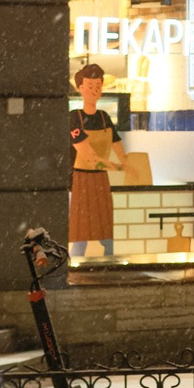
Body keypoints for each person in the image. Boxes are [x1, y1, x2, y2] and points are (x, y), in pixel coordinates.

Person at [69, 62, 125, 261]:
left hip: (102, 180)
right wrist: (118, 167)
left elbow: (117, 144)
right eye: (90, 86)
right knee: (81, 233)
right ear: (80, 88)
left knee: (106, 233)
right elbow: (89, 156)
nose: (94, 90)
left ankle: (110, 265)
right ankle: (74, 266)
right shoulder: (74, 118)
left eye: (98, 86)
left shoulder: (104, 117)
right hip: (81, 181)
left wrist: (128, 163)